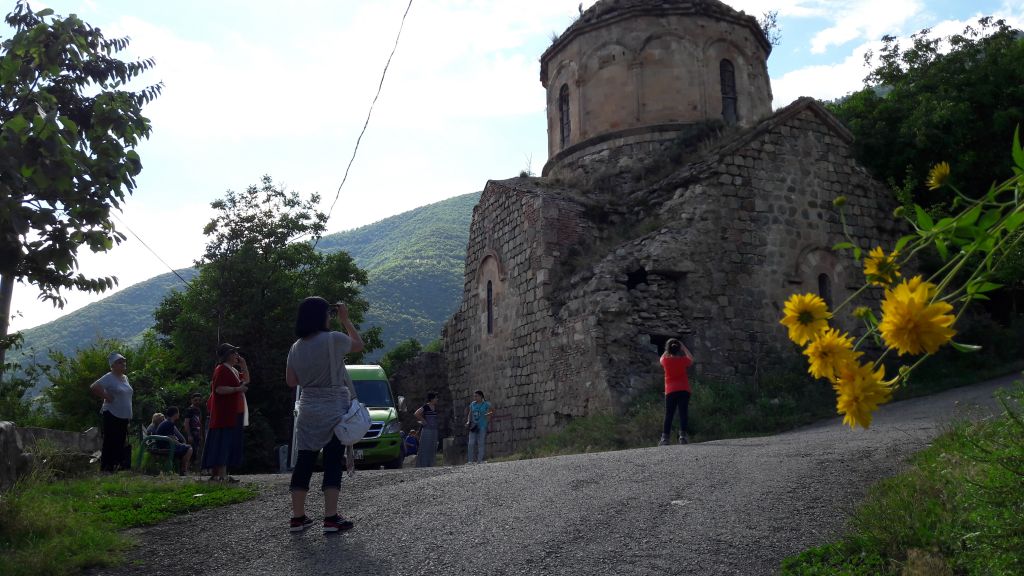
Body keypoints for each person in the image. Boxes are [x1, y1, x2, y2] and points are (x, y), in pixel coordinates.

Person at [286, 297, 364, 534]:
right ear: (322, 316)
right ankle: (331, 518)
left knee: (304, 461)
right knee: (332, 461)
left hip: (308, 408)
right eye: (328, 314)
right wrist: (346, 320)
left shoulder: (296, 346)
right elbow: (358, 345)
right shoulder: (333, 339)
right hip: (334, 408)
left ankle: (297, 518)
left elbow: (291, 381)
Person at [202, 342, 249, 482]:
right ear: (227, 355)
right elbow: (218, 389)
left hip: (234, 411)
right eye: (234, 353)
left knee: (229, 442)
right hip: (225, 412)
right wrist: (236, 390)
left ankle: (223, 473)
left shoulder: (232, 370)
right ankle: (221, 474)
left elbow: (246, 380)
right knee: (223, 441)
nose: (237, 356)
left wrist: (244, 365)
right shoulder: (221, 369)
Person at [89, 352, 133, 472]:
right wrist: (106, 396)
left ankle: (117, 465)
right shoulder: (109, 376)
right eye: (119, 362)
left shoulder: (125, 378)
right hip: (112, 413)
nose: (123, 364)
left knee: (120, 440)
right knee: (110, 440)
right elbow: (94, 387)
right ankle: (106, 467)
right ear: (113, 365)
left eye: (123, 361)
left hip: (123, 415)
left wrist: (128, 416)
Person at [659, 338, 694, 445]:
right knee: (683, 413)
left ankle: (665, 439)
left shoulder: (666, 361)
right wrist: (684, 347)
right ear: (679, 350)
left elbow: (661, 358)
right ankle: (682, 437)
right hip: (684, 389)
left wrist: (667, 349)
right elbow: (691, 358)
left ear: (669, 350)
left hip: (670, 390)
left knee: (669, 414)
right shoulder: (683, 360)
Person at [155, 406, 193, 476]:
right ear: (175, 414)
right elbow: (170, 437)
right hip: (165, 445)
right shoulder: (169, 423)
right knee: (189, 448)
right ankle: (183, 470)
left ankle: (182, 470)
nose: (179, 414)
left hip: (163, 444)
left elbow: (170, 436)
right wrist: (179, 443)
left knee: (185, 447)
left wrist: (179, 443)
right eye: (178, 413)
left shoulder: (167, 422)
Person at [464, 389, 493, 464]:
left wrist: (487, 419)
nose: (475, 398)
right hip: (474, 426)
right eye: (474, 396)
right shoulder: (473, 404)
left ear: (481, 396)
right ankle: (470, 460)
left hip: (482, 426)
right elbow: (470, 414)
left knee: (481, 443)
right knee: (471, 443)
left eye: (476, 396)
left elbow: (492, 411)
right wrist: (468, 421)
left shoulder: (486, 404)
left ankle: (480, 460)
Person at [414, 392, 440, 468]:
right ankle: (423, 464)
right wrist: (423, 420)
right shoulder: (426, 406)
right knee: (425, 446)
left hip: (434, 429)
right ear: (432, 399)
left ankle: (431, 464)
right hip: (427, 430)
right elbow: (416, 413)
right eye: (435, 398)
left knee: (432, 446)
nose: (437, 399)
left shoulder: (435, 407)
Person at [183, 393, 204, 464]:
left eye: (199, 400)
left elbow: (200, 423)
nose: (197, 402)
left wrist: (201, 435)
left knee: (196, 452)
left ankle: (193, 469)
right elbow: (186, 423)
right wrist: (189, 435)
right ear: (191, 400)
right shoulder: (189, 410)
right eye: (195, 400)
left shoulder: (199, 410)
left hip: (197, 434)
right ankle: (186, 468)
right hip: (191, 433)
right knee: (190, 451)